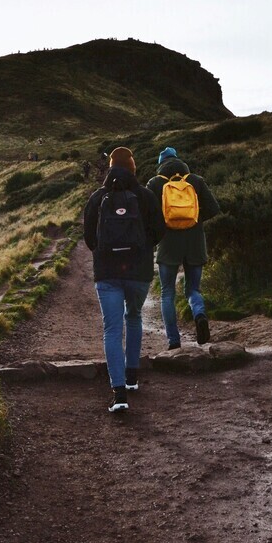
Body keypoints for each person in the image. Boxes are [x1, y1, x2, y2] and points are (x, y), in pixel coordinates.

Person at [84, 147, 164, 412]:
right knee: (134, 317)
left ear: (109, 168)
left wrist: (106, 251)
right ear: (133, 168)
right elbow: (159, 231)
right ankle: (132, 377)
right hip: (138, 272)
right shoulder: (146, 196)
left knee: (111, 329)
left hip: (107, 273)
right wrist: (140, 249)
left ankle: (119, 394)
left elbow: (89, 239)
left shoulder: (97, 197)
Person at [146, 147, 220, 349]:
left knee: (167, 292)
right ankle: (199, 314)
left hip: (168, 244)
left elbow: (147, 216)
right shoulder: (196, 180)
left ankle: (174, 341)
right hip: (195, 242)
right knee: (193, 289)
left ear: (161, 164)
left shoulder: (155, 183)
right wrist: (194, 220)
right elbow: (214, 209)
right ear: (179, 160)